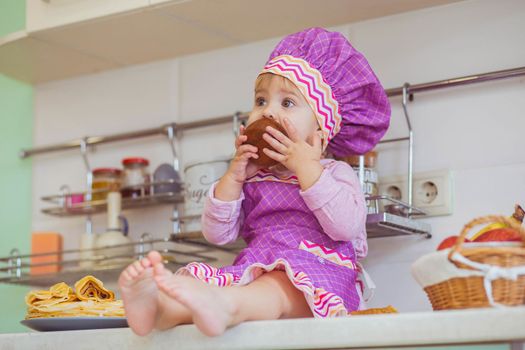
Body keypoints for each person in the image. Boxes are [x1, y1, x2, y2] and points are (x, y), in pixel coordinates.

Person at [118, 27, 391, 337]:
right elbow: (217, 234)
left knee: (276, 287)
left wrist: (306, 168)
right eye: (261, 101)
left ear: (320, 131)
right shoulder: (253, 176)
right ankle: (163, 309)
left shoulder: (334, 173)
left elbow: (344, 227)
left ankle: (225, 307)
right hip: (256, 272)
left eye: (287, 103)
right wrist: (233, 179)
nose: (268, 111)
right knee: (208, 284)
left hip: (316, 280)